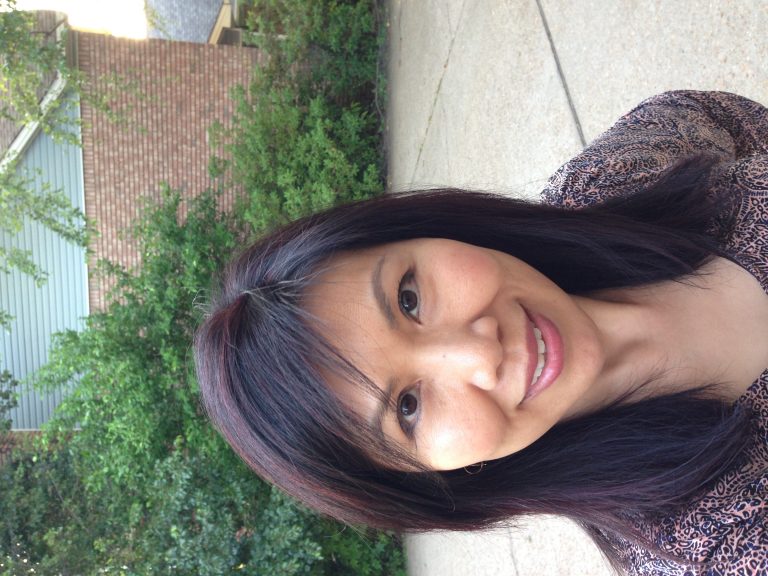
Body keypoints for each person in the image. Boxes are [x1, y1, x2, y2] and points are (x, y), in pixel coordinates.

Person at [194, 91, 768, 575]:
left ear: (427, 231)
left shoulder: (617, 179)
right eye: (409, 407)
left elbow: (719, 116)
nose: (479, 353)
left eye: (409, 298)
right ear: (431, 480)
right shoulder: (712, 544)